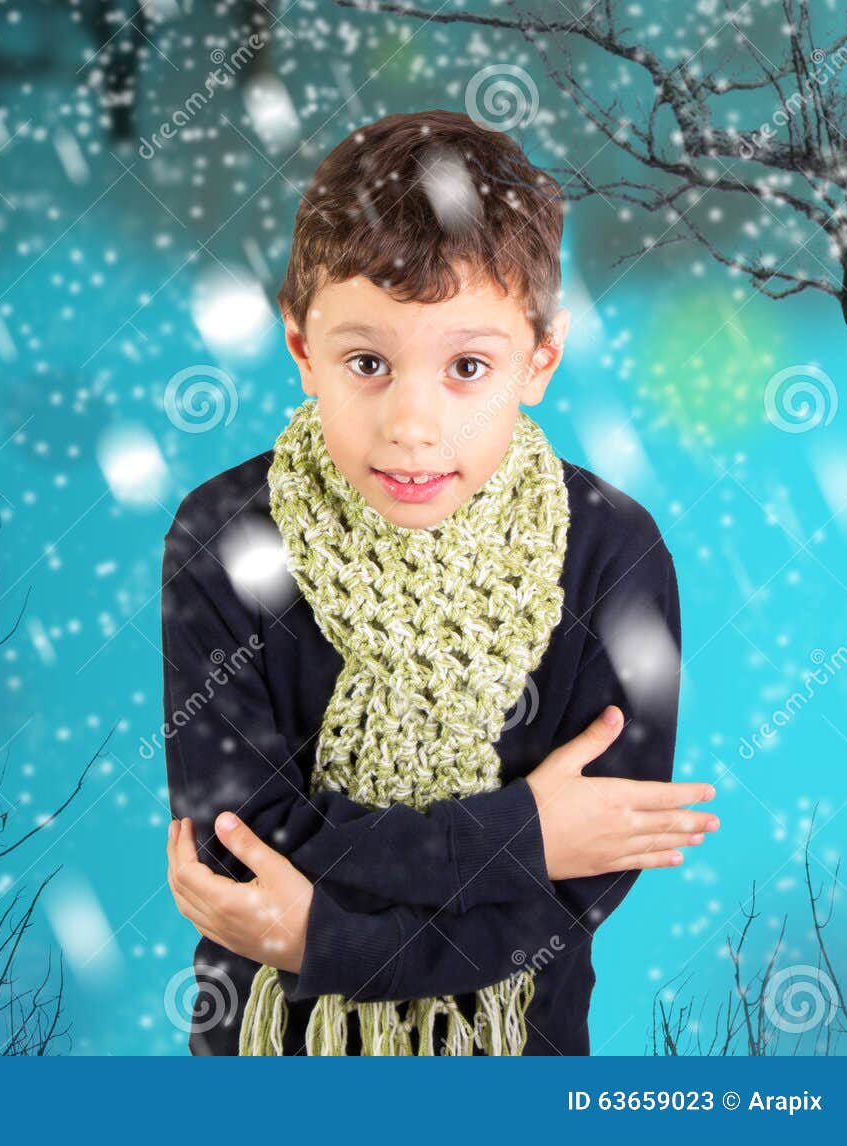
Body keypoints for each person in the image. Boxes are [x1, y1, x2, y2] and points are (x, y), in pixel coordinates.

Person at [160, 108, 715, 1056]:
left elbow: (582, 888)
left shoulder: (613, 557)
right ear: (301, 347)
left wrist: (324, 941)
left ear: (539, 357)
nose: (413, 423)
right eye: (367, 362)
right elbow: (238, 847)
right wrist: (521, 835)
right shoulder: (227, 542)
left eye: (467, 366)